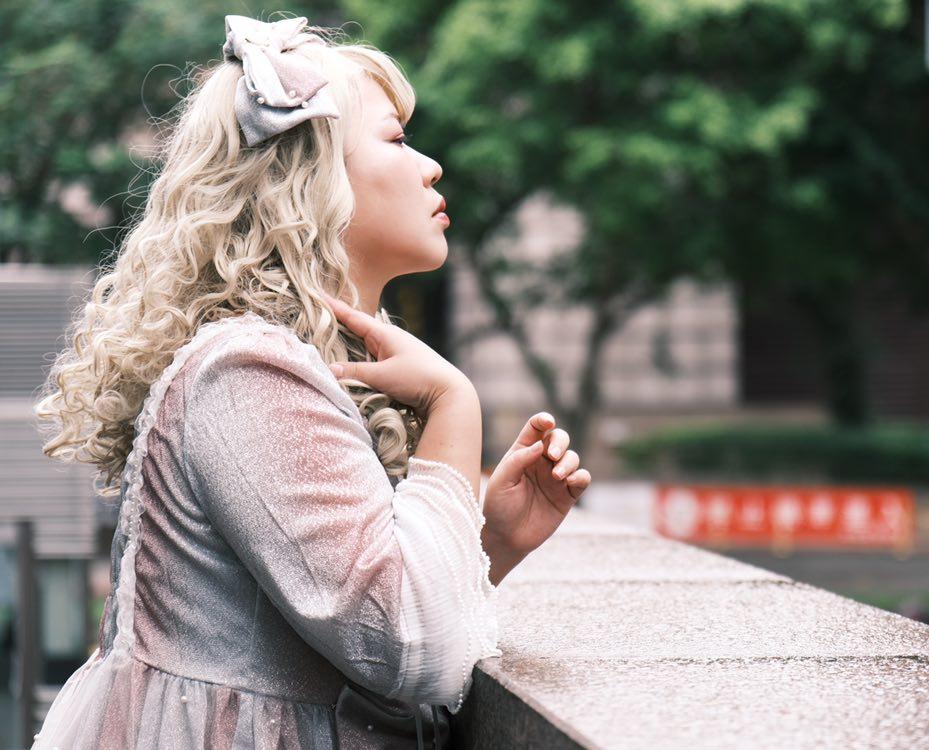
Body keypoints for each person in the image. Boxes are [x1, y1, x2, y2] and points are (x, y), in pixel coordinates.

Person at [30, 13, 591, 749]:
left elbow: (358, 623)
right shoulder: (246, 372)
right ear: (312, 178)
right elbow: (409, 652)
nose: (431, 167)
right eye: (397, 140)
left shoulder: (277, 366)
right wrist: (454, 404)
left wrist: (492, 541)